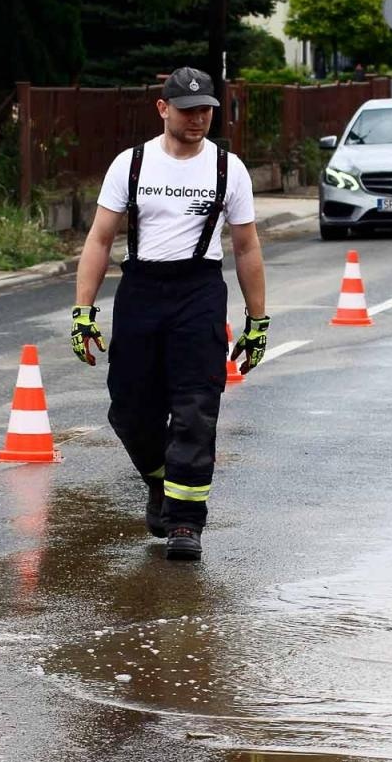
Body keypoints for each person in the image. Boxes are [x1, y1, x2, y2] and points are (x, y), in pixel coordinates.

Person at [70, 67, 270, 562]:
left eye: (206, 110)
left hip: (198, 290)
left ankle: (185, 523)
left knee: (194, 408)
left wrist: (258, 321)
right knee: (130, 410)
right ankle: (161, 482)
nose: (198, 119)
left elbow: (245, 248)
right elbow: (99, 239)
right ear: (164, 109)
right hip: (141, 289)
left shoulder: (229, 169)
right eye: (188, 110)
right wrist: (83, 311)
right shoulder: (131, 165)